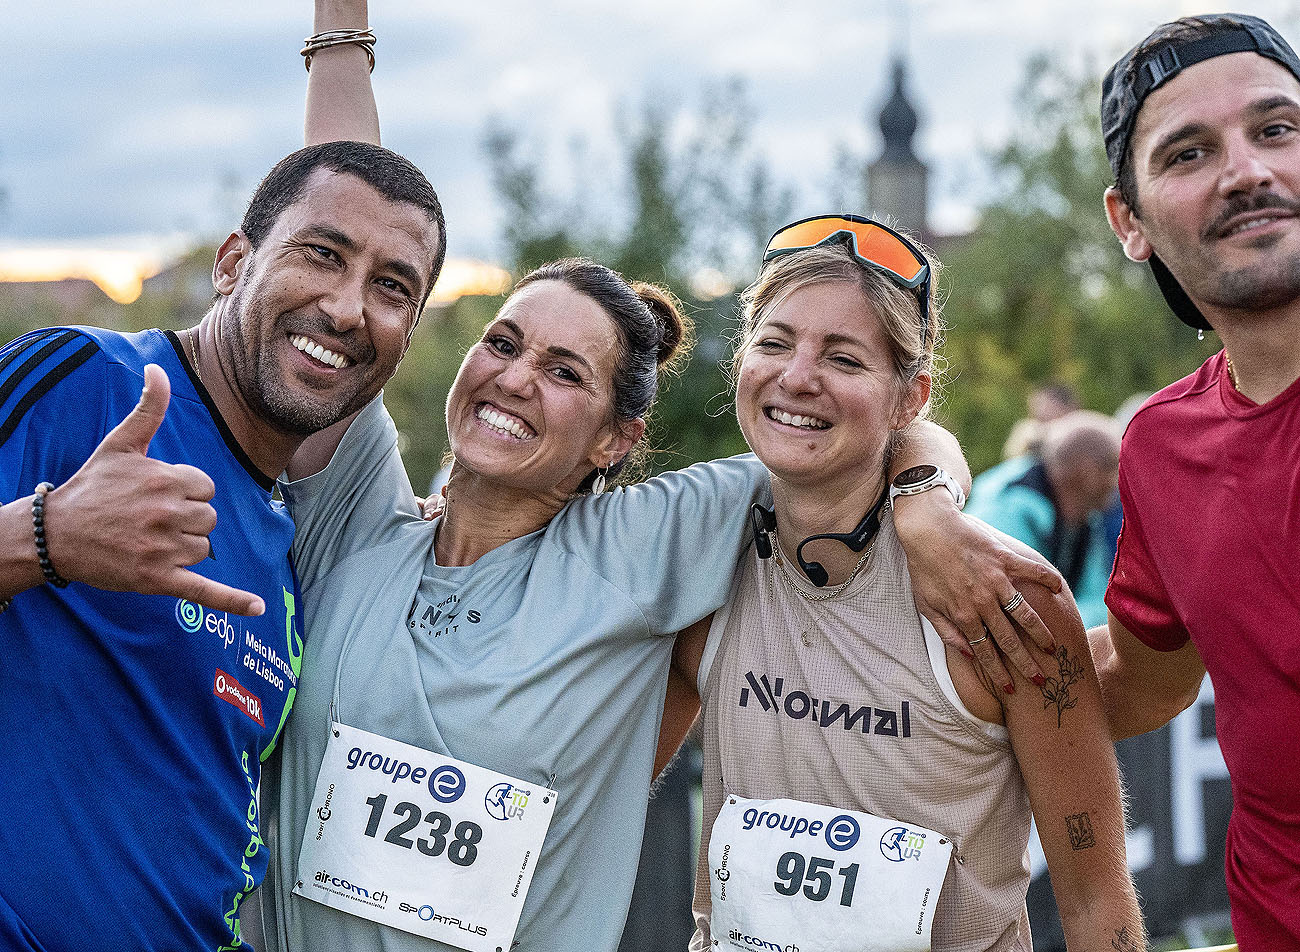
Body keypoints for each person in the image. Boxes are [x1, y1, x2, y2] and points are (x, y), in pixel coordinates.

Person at [256, 8, 1068, 950]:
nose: (515, 379)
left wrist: (926, 509)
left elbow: (860, 428)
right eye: (505, 343)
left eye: (565, 373)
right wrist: (341, 24)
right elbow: (346, 202)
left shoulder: (639, 548)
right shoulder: (356, 514)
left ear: (616, 440)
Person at [0, 141, 446, 951]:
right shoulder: (87, 382)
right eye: (323, 253)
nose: (347, 308)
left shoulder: (284, 555)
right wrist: (45, 536)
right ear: (235, 263)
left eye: (392, 287)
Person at [673, 219, 1143, 951]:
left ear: (909, 398)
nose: (797, 376)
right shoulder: (692, 564)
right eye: (774, 343)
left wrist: (925, 503)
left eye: (844, 358)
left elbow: (1095, 901)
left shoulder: (1002, 598)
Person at [1092, 13, 1300, 948]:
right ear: (1129, 222)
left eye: (1276, 128)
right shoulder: (1161, 446)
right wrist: (919, 495)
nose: (1246, 172)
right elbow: (1138, 682)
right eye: (1188, 153)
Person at [967, 411, 1121, 627]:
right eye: (1114, 467)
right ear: (1088, 472)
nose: (1118, 482)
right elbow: (1013, 609)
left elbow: (1099, 599)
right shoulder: (1005, 512)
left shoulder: (1086, 520)